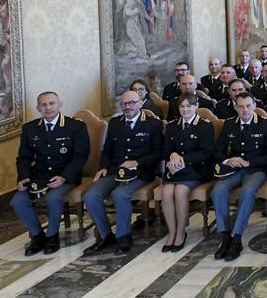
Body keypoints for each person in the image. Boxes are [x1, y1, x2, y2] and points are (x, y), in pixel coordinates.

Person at [83, 90, 164, 255]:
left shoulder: (153, 124)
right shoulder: (115, 123)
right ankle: (106, 236)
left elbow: (159, 152)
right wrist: (103, 167)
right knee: (90, 195)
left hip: (141, 173)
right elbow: (107, 150)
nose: (127, 107)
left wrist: (137, 162)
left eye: (131, 103)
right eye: (124, 104)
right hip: (115, 171)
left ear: (140, 103)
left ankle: (124, 237)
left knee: (120, 194)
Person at [11, 92, 90, 256]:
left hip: (66, 176)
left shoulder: (75, 126)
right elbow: (24, 158)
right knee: (17, 201)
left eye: (51, 103)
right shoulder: (30, 128)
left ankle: (52, 236)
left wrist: (64, 177)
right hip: (39, 177)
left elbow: (81, 156)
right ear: (38, 108)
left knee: (53, 198)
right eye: (43, 105)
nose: (48, 108)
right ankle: (38, 236)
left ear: (59, 105)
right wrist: (23, 178)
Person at [211, 92, 267, 261]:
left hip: (256, 170)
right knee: (217, 191)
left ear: (254, 106)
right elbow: (218, 150)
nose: (245, 110)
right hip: (233, 170)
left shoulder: (265, 124)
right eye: (240, 106)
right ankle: (225, 236)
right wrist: (228, 160)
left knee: (247, 192)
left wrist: (249, 162)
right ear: (235, 108)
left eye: (248, 106)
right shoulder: (229, 124)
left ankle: (237, 238)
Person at [159, 93, 215, 252]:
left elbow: (206, 152)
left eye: (189, 106)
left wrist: (182, 159)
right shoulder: (172, 126)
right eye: (182, 106)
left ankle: (181, 232)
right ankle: (172, 232)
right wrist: (172, 154)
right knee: (166, 192)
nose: (185, 109)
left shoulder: (205, 125)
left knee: (180, 191)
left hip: (196, 169)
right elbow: (166, 149)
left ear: (196, 106)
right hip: (175, 170)